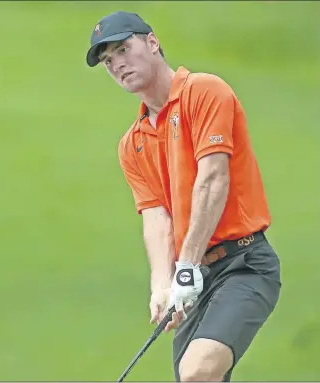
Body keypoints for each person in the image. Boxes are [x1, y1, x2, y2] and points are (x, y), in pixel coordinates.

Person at [85, 11, 282, 382]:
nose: (117, 65)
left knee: (196, 373)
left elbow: (213, 180)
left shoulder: (204, 92)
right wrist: (162, 284)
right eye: (109, 60)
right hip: (195, 281)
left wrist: (187, 265)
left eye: (124, 49)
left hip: (244, 264)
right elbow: (156, 218)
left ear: (153, 42)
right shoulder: (132, 144)